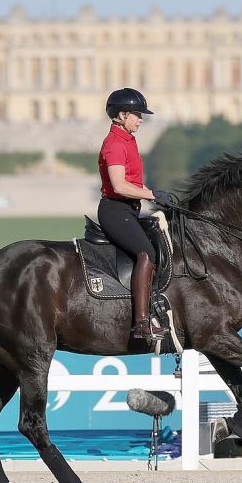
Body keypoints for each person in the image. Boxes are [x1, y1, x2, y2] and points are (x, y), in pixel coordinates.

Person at [97, 88, 172, 341]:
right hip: (115, 210)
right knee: (146, 253)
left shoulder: (128, 139)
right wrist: (151, 195)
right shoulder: (115, 143)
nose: (141, 119)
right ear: (122, 115)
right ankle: (141, 323)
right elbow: (118, 185)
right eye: (137, 115)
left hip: (129, 208)